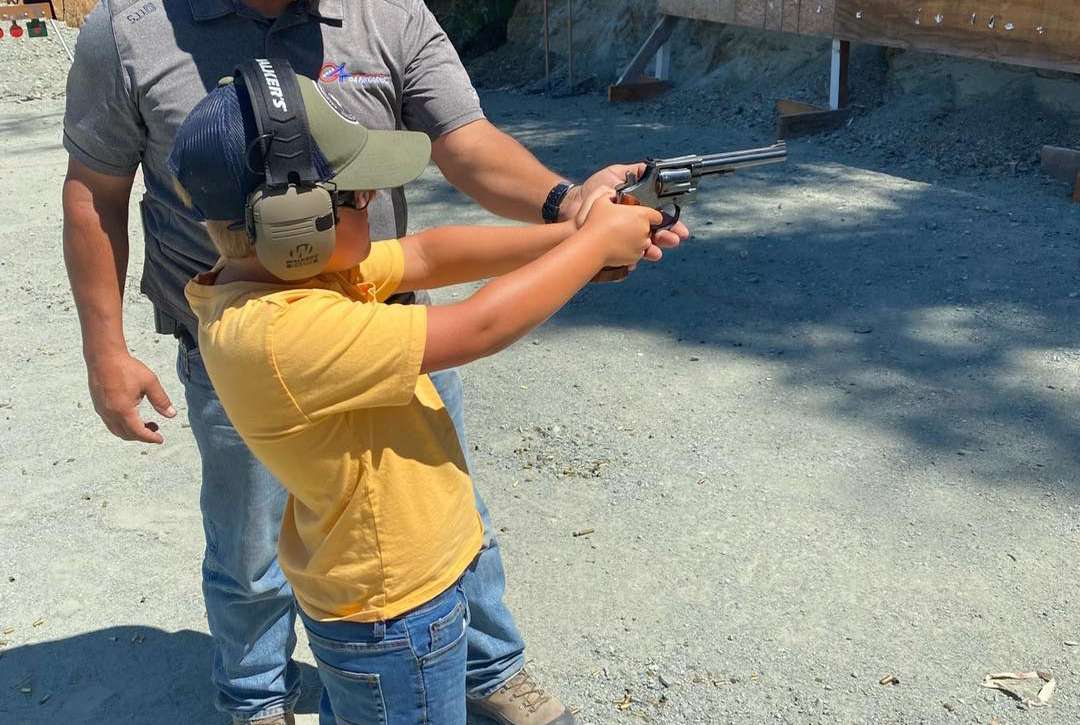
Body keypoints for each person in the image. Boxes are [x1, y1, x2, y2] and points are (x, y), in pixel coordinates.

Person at [61, 1, 687, 723]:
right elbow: (482, 322)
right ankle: (257, 699)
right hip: (392, 619)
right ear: (297, 226)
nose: (375, 201)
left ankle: (487, 666)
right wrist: (586, 252)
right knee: (248, 558)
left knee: (453, 526)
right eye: (359, 192)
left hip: (388, 593)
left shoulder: (295, 278)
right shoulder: (286, 329)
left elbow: (429, 249)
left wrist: (575, 222)